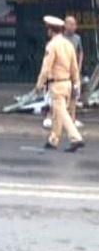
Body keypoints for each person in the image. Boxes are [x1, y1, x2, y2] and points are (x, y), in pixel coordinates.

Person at [36, 15, 84, 152]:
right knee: (58, 113)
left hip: (56, 84)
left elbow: (46, 68)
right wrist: (77, 84)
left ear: (51, 31)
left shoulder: (51, 45)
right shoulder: (69, 45)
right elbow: (75, 68)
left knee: (61, 112)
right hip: (68, 84)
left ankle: (76, 138)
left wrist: (39, 84)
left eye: (48, 29)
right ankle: (53, 140)